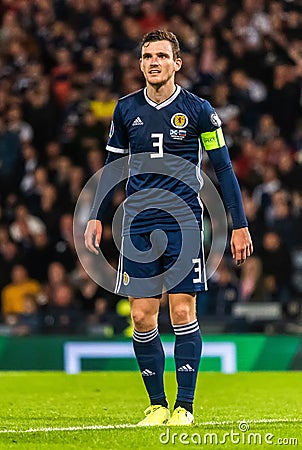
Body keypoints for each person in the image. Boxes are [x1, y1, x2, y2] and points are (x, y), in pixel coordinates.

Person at [84, 30, 253, 426]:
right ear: (140, 63)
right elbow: (111, 167)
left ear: (177, 63)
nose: (153, 62)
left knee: (181, 310)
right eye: (146, 56)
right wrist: (94, 214)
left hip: (184, 223)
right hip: (137, 224)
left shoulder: (199, 111)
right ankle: (158, 405)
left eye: (161, 55)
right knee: (142, 317)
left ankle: (186, 408)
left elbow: (224, 169)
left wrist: (238, 224)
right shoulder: (125, 110)